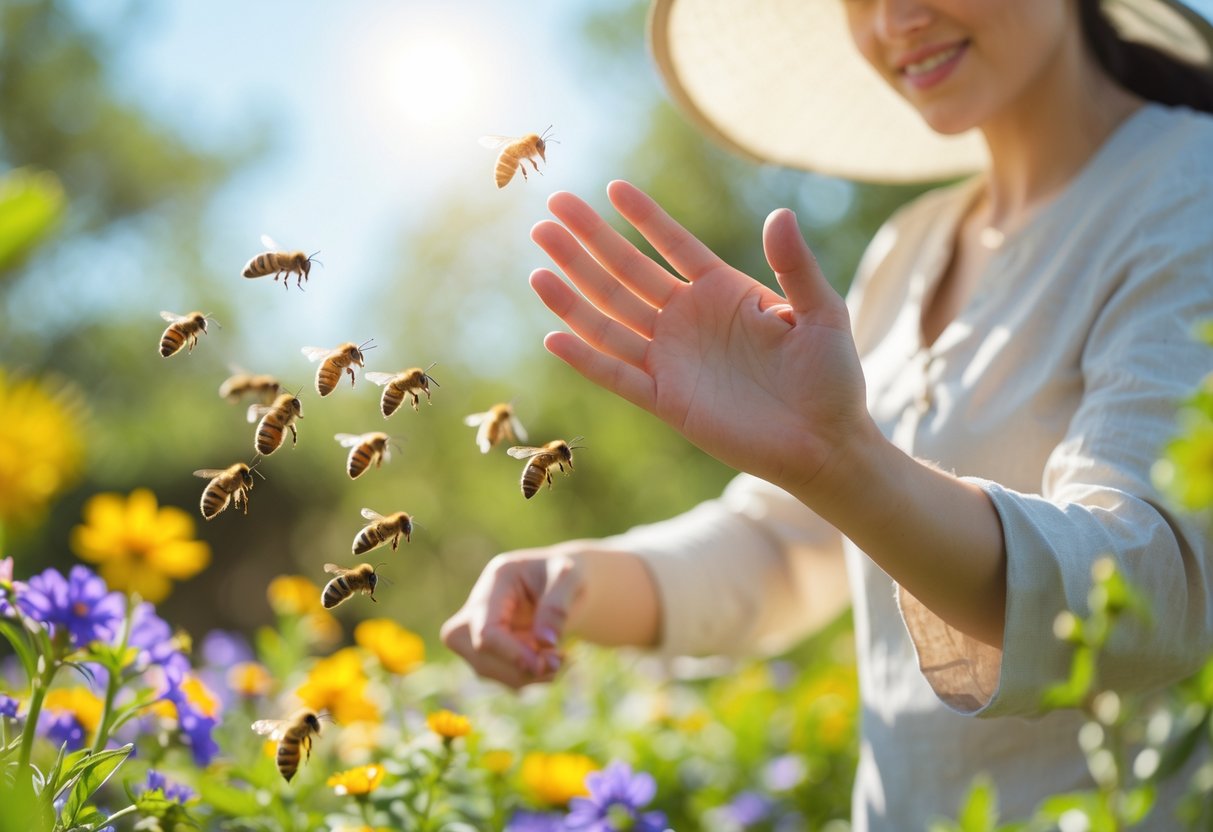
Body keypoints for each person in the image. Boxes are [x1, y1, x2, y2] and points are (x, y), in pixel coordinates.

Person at [442, 0, 1213, 827]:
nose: (895, 20)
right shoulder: (906, 251)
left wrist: (842, 465)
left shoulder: (1189, 187)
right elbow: (788, 547)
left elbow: (1147, 585)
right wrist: (578, 582)